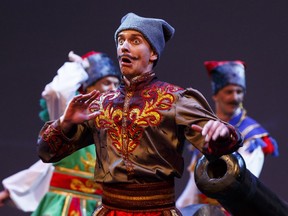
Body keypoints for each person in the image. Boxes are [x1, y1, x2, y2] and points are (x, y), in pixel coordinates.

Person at [37, 13, 243, 215]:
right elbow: (48, 152)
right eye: (120, 40)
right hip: (110, 211)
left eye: (135, 40)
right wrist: (65, 123)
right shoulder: (100, 103)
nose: (124, 46)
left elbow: (221, 150)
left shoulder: (175, 99)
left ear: (153, 53)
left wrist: (222, 134)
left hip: (157, 210)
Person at [0, 50, 121, 216]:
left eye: (116, 84)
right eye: (107, 83)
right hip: (64, 205)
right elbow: (57, 92)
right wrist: (77, 69)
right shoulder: (70, 117)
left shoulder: (112, 124)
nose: (113, 89)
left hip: (98, 208)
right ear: (88, 86)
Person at [176, 60, 279, 210]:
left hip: (237, 209)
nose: (235, 97)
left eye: (239, 92)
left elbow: (243, 186)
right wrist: (179, 209)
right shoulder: (205, 131)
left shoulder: (252, 134)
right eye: (229, 92)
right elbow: (194, 188)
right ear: (216, 95)